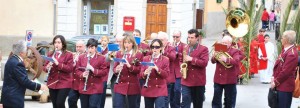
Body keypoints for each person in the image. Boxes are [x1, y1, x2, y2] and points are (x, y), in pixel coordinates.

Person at [1, 40, 48, 108]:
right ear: (21, 53)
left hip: (8, 97)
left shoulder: (10, 61)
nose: (27, 52)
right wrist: (40, 86)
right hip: (14, 99)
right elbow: (24, 81)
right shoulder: (18, 64)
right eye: (26, 50)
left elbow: (12, 80)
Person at [75, 38, 109, 108]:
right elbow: (77, 70)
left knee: (93, 106)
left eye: (92, 48)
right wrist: (82, 74)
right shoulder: (81, 57)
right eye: (89, 48)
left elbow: (104, 72)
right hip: (84, 86)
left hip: (95, 87)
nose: (90, 50)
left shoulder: (101, 58)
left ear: (96, 48)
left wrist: (93, 69)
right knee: (84, 106)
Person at [180, 29, 209, 108]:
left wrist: (192, 59)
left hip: (198, 81)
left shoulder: (204, 49)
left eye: (192, 37)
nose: (189, 39)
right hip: (186, 80)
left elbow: (204, 63)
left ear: (197, 38)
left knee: (197, 104)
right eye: (188, 37)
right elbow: (180, 59)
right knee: (185, 102)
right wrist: (181, 66)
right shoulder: (185, 47)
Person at [113, 34, 143, 108]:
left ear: (132, 44)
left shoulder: (138, 54)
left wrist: (129, 66)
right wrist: (117, 69)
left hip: (132, 83)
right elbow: (114, 68)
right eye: (125, 43)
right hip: (120, 83)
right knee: (118, 105)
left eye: (129, 43)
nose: (127, 45)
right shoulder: (119, 53)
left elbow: (139, 70)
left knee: (132, 105)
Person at [44, 35, 74, 108]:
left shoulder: (68, 54)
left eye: (59, 42)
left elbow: (70, 68)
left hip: (64, 82)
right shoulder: (50, 54)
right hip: (52, 82)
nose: (56, 44)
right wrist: (47, 67)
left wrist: (58, 64)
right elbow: (44, 67)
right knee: (55, 104)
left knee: (60, 103)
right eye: (55, 42)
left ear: (63, 44)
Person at [271, 30, 298, 108]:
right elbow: (278, 65)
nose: (281, 39)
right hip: (281, 85)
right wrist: (273, 76)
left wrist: (275, 82)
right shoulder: (286, 50)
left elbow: (285, 72)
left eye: (282, 38)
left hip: (285, 87)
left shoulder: (291, 54)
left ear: (286, 40)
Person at [140, 39, 170, 108]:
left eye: (157, 47)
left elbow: (166, 75)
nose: (154, 49)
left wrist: (157, 68)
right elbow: (140, 74)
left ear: (161, 48)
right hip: (148, 88)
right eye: (153, 47)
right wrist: (145, 73)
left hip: (160, 89)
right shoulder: (146, 58)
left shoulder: (165, 59)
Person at [211, 35, 240, 108]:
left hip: (229, 79)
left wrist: (226, 59)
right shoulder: (219, 48)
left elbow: (236, 62)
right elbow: (212, 61)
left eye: (225, 43)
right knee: (216, 100)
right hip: (218, 78)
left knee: (229, 101)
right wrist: (214, 57)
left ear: (230, 43)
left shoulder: (235, 51)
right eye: (222, 42)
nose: (223, 44)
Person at [157, 31, 176, 108]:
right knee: (158, 100)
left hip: (167, 78)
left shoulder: (171, 48)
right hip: (157, 77)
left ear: (166, 41)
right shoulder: (155, 47)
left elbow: (173, 57)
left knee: (165, 100)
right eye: (158, 39)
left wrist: (164, 51)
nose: (159, 42)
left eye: (161, 40)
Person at [105, 34, 124, 107]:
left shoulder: (125, 49)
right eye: (117, 41)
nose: (118, 43)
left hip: (123, 75)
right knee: (114, 96)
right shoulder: (112, 49)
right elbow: (106, 59)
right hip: (114, 75)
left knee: (122, 97)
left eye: (120, 41)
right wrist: (111, 54)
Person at [68, 40, 86, 108]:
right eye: (77, 47)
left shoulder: (87, 55)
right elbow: (70, 69)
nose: (78, 48)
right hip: (74, 83)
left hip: (84, 83)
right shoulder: (73, 55)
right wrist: (74, 61)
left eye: (80, 47)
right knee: (71, 100)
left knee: (84, 104)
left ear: (84, 47)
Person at [171, 30, 186, 108]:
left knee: (177, 90)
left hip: (178, 70)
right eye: (174, 36)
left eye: (177, 37)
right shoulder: (169, 45)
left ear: (180, 37)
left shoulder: (184, 45)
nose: (175, 38)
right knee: (171, 91)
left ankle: (177, 106)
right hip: (170, 70)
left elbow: (185, 56)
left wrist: (176, 52)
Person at [98, 36, 110, 108]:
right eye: (102, 41)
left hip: (105, 74)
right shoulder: (98, 49)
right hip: (97, 73)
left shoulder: (109, 50)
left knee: (102, 92)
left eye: (105, 41)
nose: (103, 42)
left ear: (108, 42)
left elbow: (110, 62)